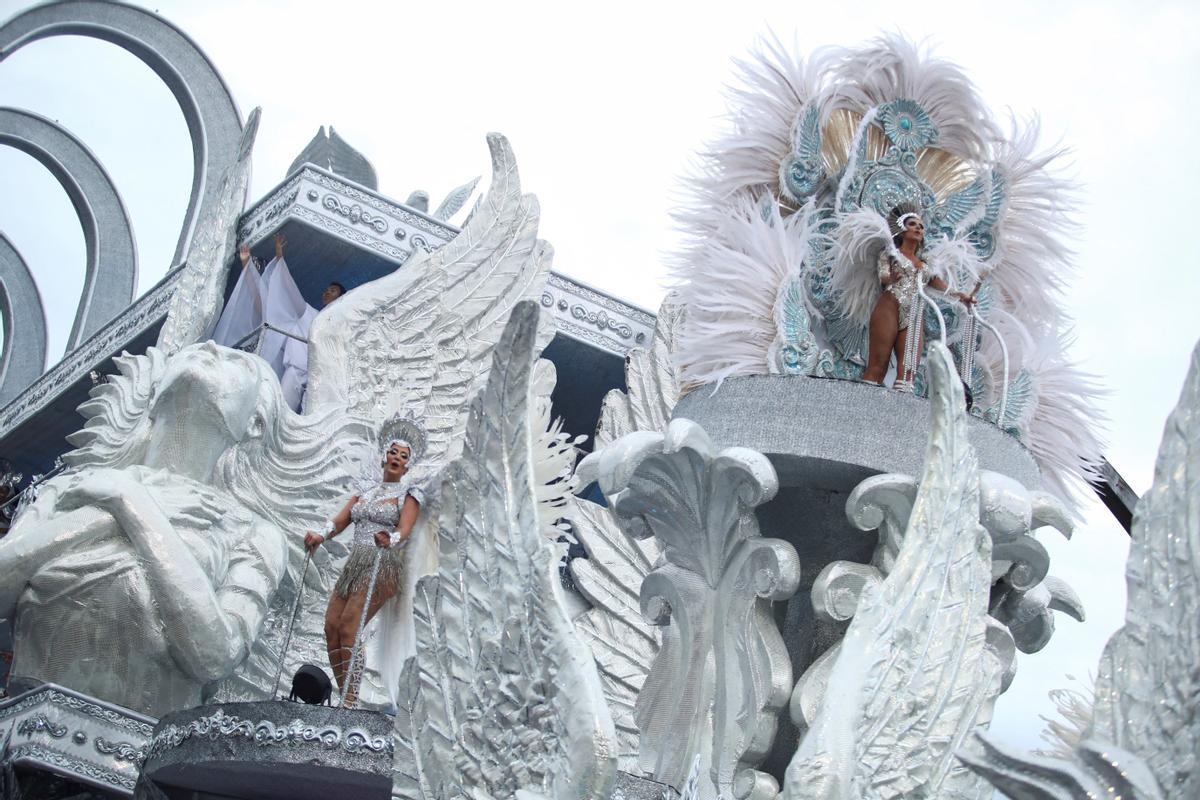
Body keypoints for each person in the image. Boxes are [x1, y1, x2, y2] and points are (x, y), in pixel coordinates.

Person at [304, 421, 425, 707]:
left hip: (382, 565)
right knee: (331, 626)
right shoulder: (366, 491)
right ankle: (347, 695)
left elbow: (405, 529)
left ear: (408, 466)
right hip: (355, 565)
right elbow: (341, 519)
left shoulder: (409, 495)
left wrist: (391, 539)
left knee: (349, 626)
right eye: (393, 453)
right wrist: (320, 534)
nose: (397, 458)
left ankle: (349, 701)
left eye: (403, 456)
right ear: (384, 456)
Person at [213, 234, 346, 411]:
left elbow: (289, 291)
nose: (326, 293)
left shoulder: (334, 324)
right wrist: (253, 263)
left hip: (309, 375)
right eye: (327, 290)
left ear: (341, 298)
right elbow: (267, 303)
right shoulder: (308, 314)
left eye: (332, 291)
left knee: (281, 411)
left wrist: (279, 257)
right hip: (290, 371)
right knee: (274, 409)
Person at [862, 209, 975, 389]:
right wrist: (890, 278)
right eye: (913, 224)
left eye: (921, 227)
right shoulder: (891, 254)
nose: (918, 228)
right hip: (890, 305)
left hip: (913, 314)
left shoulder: (925, 263)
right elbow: (883, 275)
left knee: (908, 372)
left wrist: (960, 296)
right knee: (878, 364)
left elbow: (939, 284)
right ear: (902, 229)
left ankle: (899, 412)